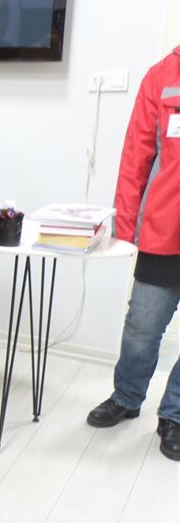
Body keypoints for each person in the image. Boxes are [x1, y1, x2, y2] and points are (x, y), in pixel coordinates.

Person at [86, 47, 180, 461]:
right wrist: (124, 228)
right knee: (141, 327)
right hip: (166, 230)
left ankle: (174, 414)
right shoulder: (162, 76)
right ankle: (127, 396)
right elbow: (136, 155)